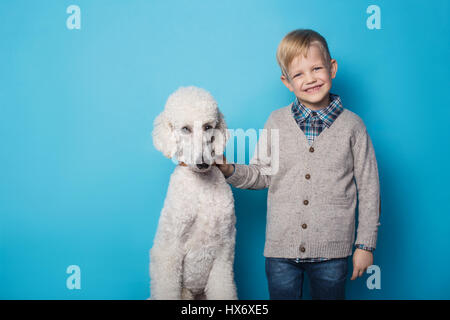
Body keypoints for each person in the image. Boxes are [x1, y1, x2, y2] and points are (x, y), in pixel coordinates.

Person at [216, 29, 381, 300]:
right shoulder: (276, 121)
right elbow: (261, 174)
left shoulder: (353, 126)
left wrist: (365, 244)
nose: (310, 79)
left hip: (333, 253)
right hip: (281, 251)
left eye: (317, 68)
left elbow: (370, 187)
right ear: (287, 82)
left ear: (332, 68)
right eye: (299, 74)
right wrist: (228, 170)